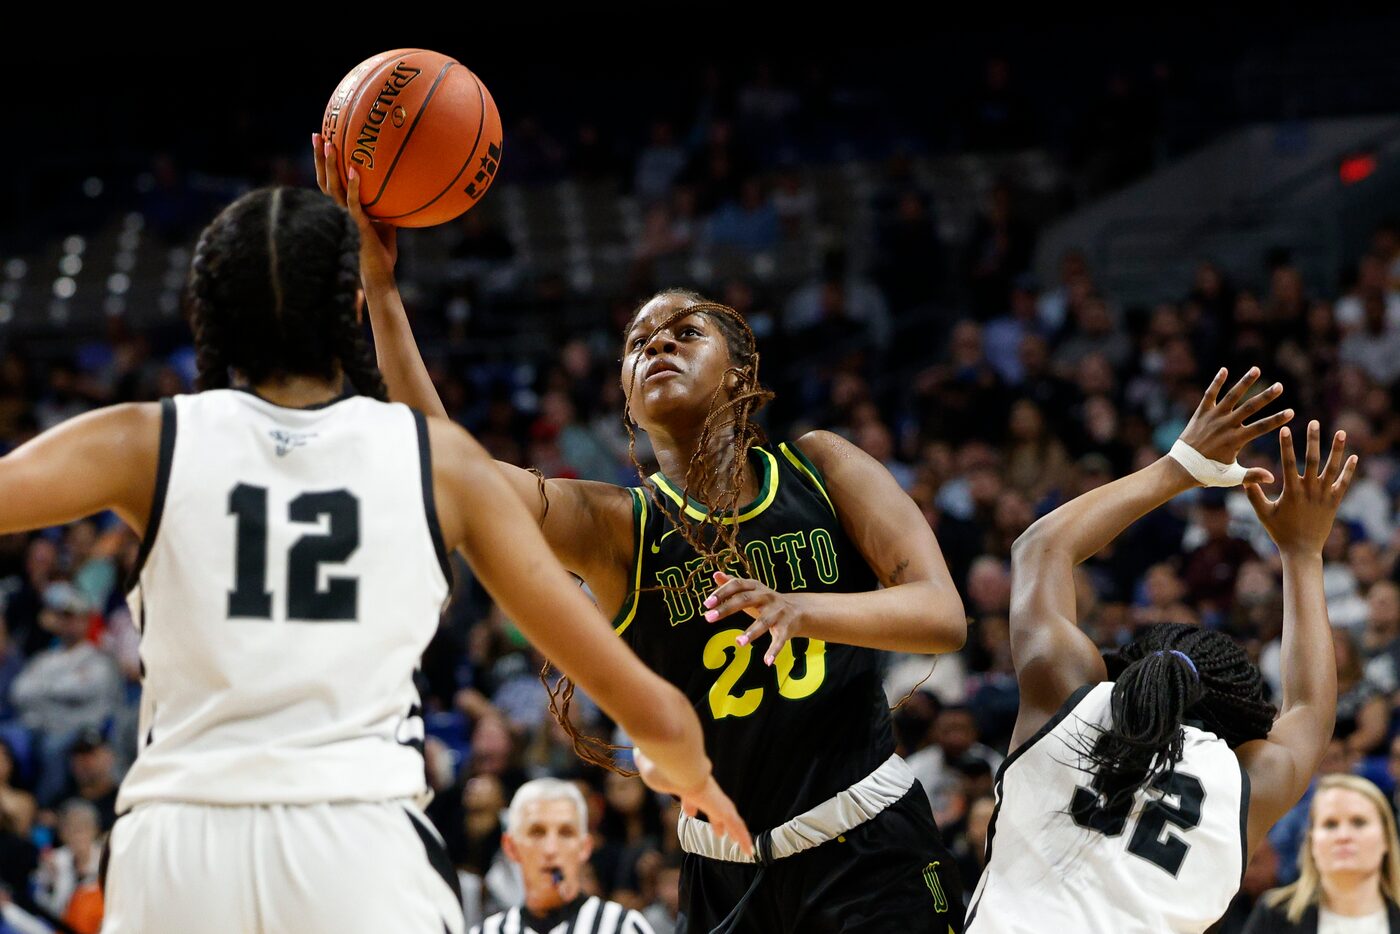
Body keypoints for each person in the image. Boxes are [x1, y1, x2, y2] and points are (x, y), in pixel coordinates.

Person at [0, 185, 747, 934]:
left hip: (177, 846)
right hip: (358, 844)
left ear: (207, 317)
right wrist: (692, 777)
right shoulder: (437, 461)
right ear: (350, 309)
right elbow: (648, 706)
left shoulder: (144, 441)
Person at [315, 138, 970, 933]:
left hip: (867, 842)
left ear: (736, 373)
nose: (656, 342)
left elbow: (940, 613)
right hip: (723, 871)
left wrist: (801, 609)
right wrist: (381, 291)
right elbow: (448, 468)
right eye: (637, 343)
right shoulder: (617, 526)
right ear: (627, 403)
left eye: (685, 331)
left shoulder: (822, 464)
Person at [966, 368, 1355, 932]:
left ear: (1132, 666)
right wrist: (1302, 553)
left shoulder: (1071, 702)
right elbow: (1310, 712)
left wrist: (1181, 467)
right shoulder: (1241, 784)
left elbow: (1040, 548)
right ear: (1244, 724)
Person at [471, 778, 654, 934]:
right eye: (537, 832)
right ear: (511, 847)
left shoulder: (624, 927)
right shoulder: (487, 931)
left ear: (585, 847)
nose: (551, 849)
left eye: (566, 833)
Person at [1244, 774, 1400, 931]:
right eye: (1330, 824)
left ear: (1386, 837)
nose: (1343, 836)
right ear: (1311, 841)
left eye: (1359, 822)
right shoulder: (1274, 913)